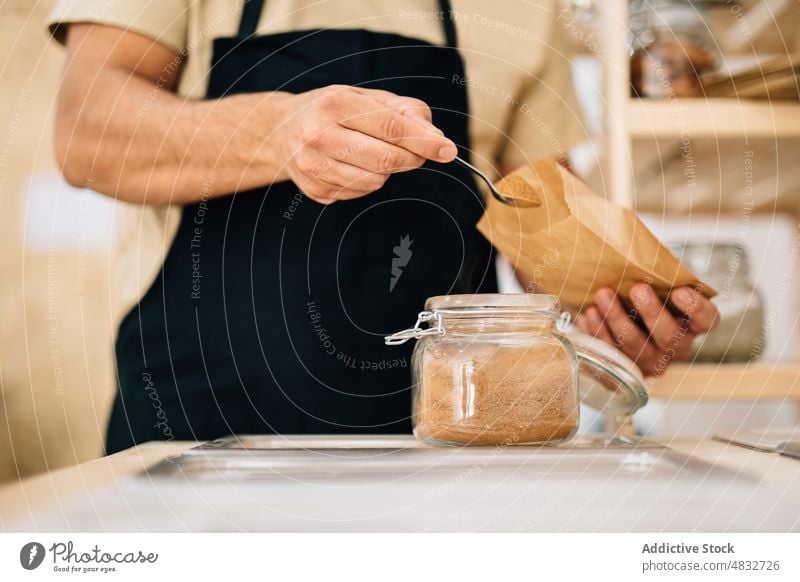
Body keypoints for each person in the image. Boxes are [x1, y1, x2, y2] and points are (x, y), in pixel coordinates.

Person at [48, 0, 718, 453]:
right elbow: (87, 129)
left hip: (436, 446)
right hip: (194, 428)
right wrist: (278, 132)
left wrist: (607, 310)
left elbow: (539, 212)